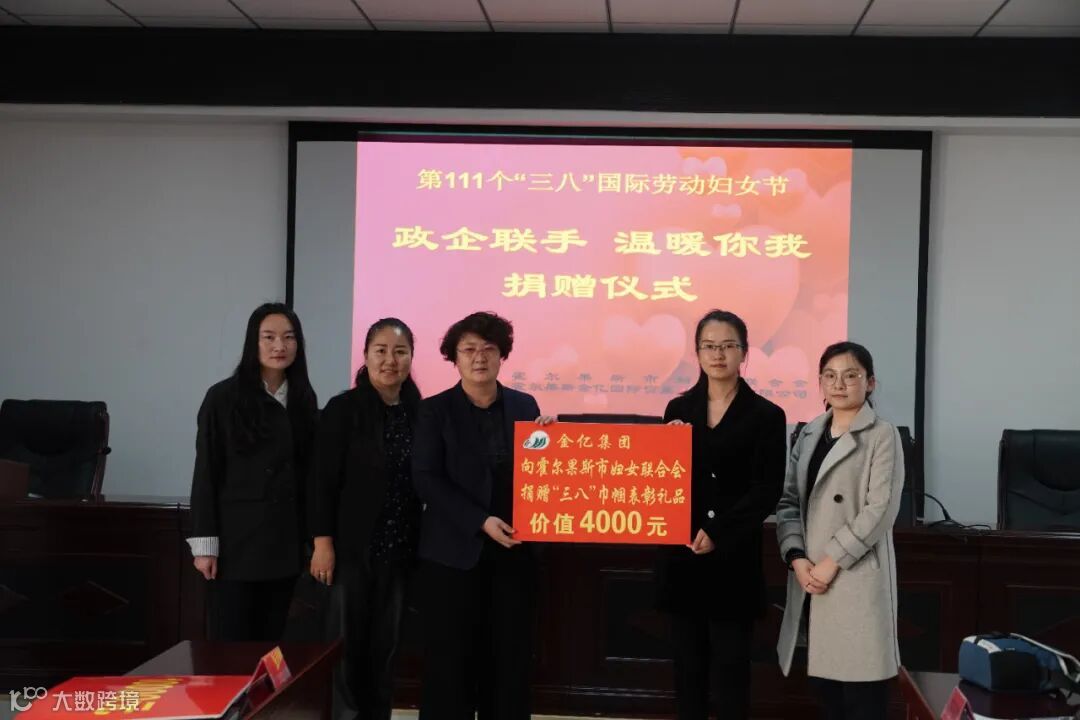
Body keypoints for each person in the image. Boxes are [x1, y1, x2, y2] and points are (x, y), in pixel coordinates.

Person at [412, 311, 548, 720]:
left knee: (509, 662)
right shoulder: (434, 411)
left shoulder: (525, 405)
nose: (479, 357)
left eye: (489, 349)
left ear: (502, 355)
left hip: (513, 554)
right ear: (453, 357)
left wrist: (550, 440)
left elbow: (538, 470)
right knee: (449, 664)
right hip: (452, 557)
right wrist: (479, 521)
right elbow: (426, 479)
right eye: (468, 349)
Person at [659, 309, 787, 720]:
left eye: (728, 346)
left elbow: (766, 490)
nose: (718, 354)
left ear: (744, 352)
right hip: (683, 560)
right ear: (697, 353)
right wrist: (666, 448)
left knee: (732, 674)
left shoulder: (767, 415)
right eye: (709, 346)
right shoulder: (678, 408)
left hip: (733, 560)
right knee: (688, 673)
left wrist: (718, 531)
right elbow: (663, 480)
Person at [776, 341, 904, 720]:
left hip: (853, 575)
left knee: (862, 698)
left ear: (870, 383)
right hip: (810, 577)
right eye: (829, 376)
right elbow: (788, 502)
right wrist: (796, 557)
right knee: (827, 694)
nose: (839, 384)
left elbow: (880, 509)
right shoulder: (809, 433)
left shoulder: (882, 434)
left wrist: (832, 560)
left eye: (851, 376)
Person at [308, 318, 422, 720]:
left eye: (400, 351)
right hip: (350, 550)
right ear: (366, 355)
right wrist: (322, 542)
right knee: (345, 647)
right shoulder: (343, 409)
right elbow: (321, 480)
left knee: (386, 647)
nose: (390, 360)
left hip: (401, 551)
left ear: (411, 357)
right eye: (381, 351)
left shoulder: (419, 412)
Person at [187, 302, 319, 641]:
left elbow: (309, 475)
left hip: (284, 544)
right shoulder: (223, 398)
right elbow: (206, 473)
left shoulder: (303, 398)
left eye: (289, 337)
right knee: (230, 645)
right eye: (269, 337)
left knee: (271, 644)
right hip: (236, 546)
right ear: (253, 342)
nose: (279, 346)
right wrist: (204, 545)